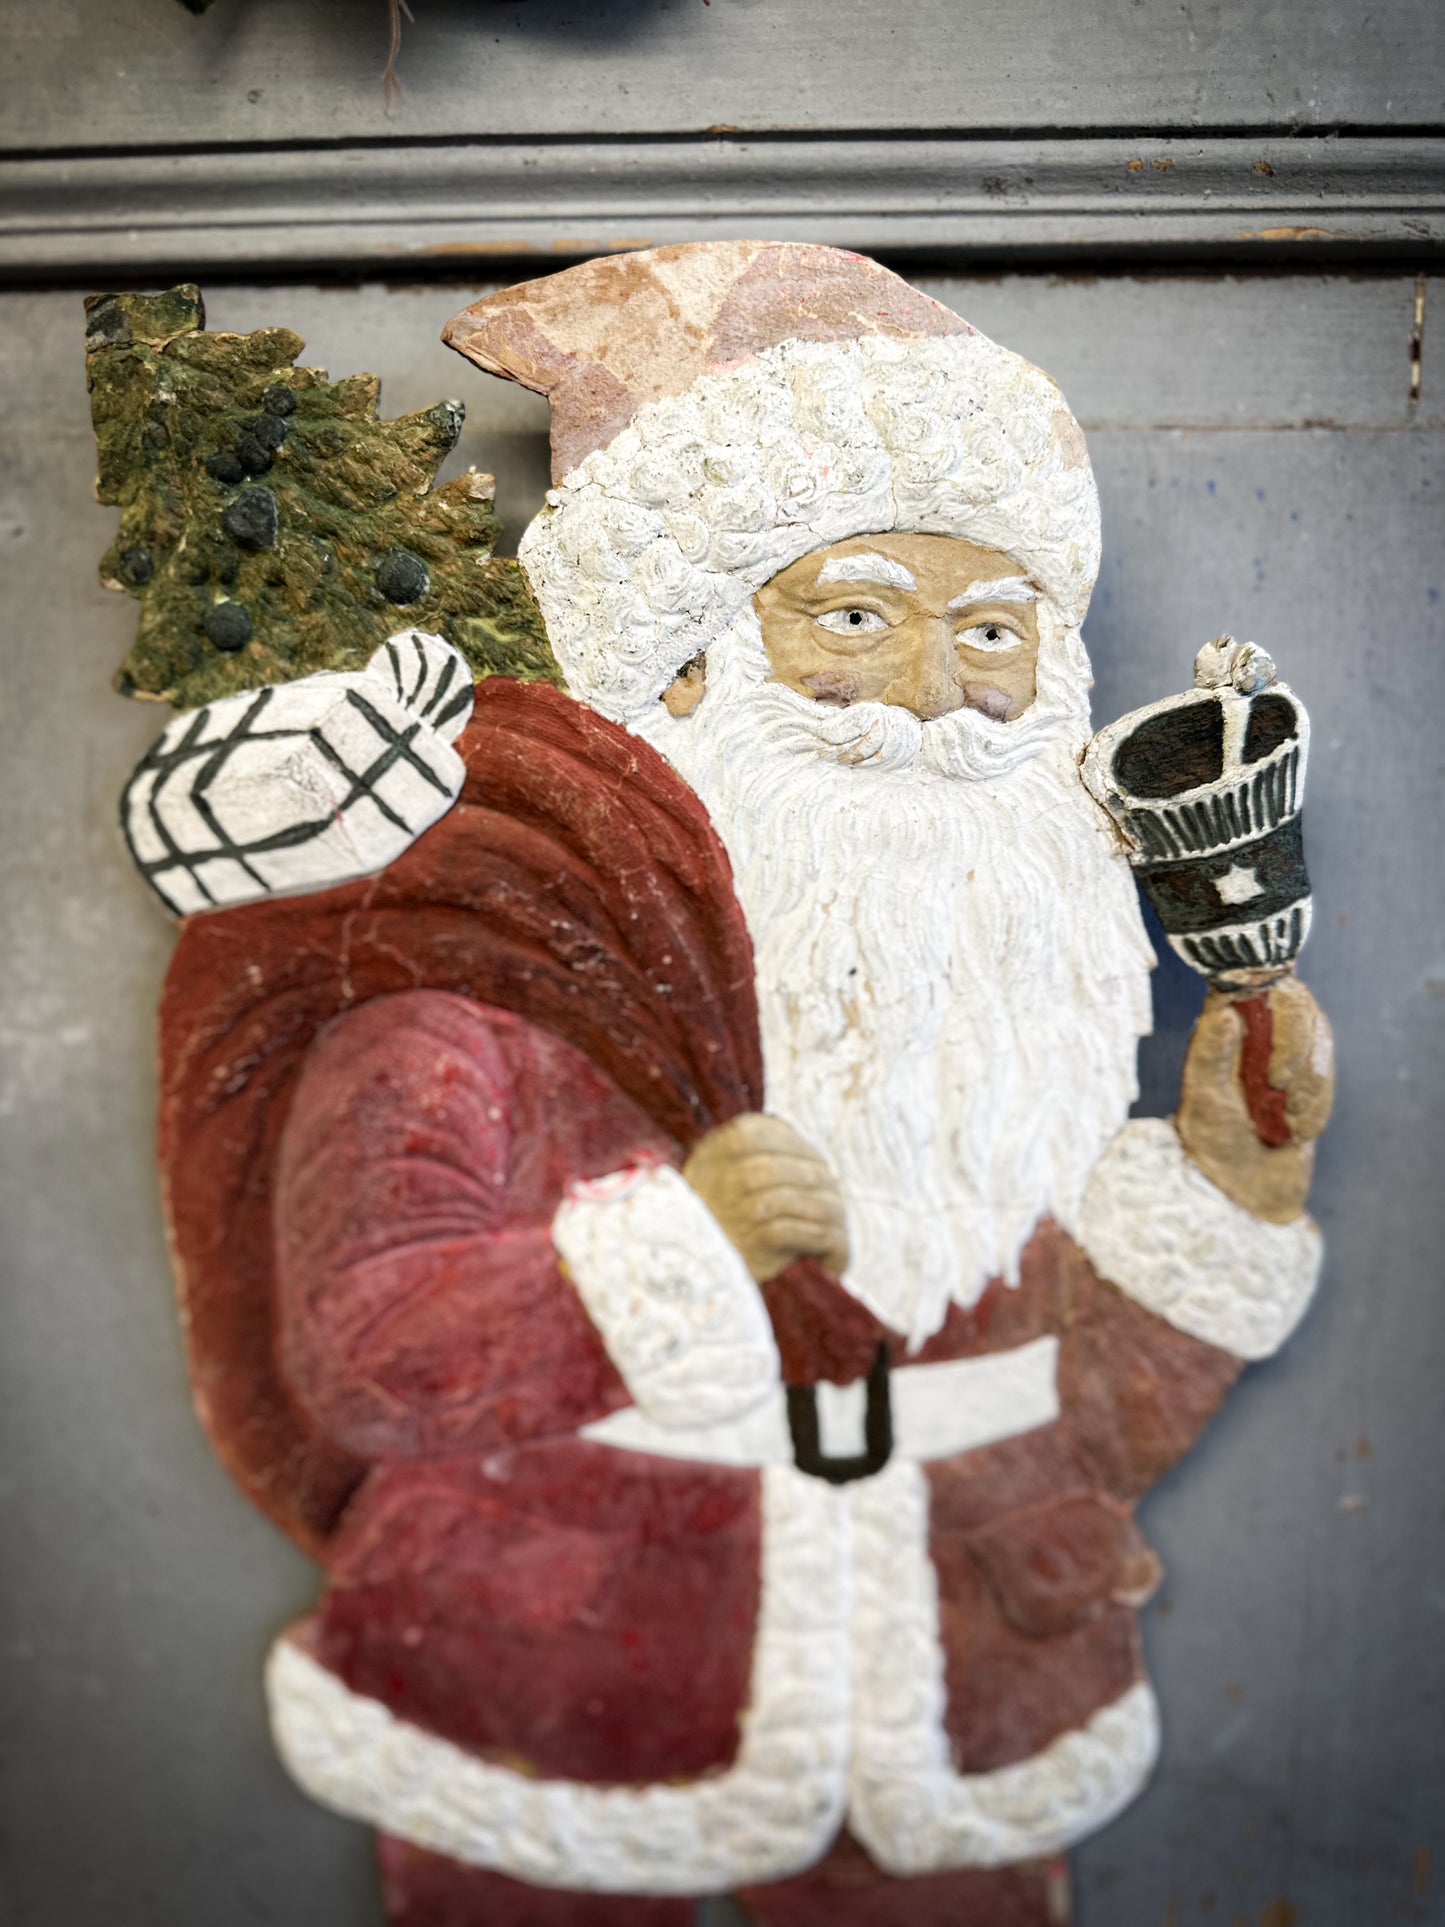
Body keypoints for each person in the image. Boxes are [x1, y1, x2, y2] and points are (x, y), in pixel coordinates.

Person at [156, 243, 1333, 1926]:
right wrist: (675, 1256)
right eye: (855, 616)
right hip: (551, 1692)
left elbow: (1073, 1412)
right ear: (688, 659)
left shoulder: (1017, 1016)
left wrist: (1228, 1193)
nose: (935, 704)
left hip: (960, 1697)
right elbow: (368, 1350)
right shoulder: (487, 974)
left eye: (993, 633)